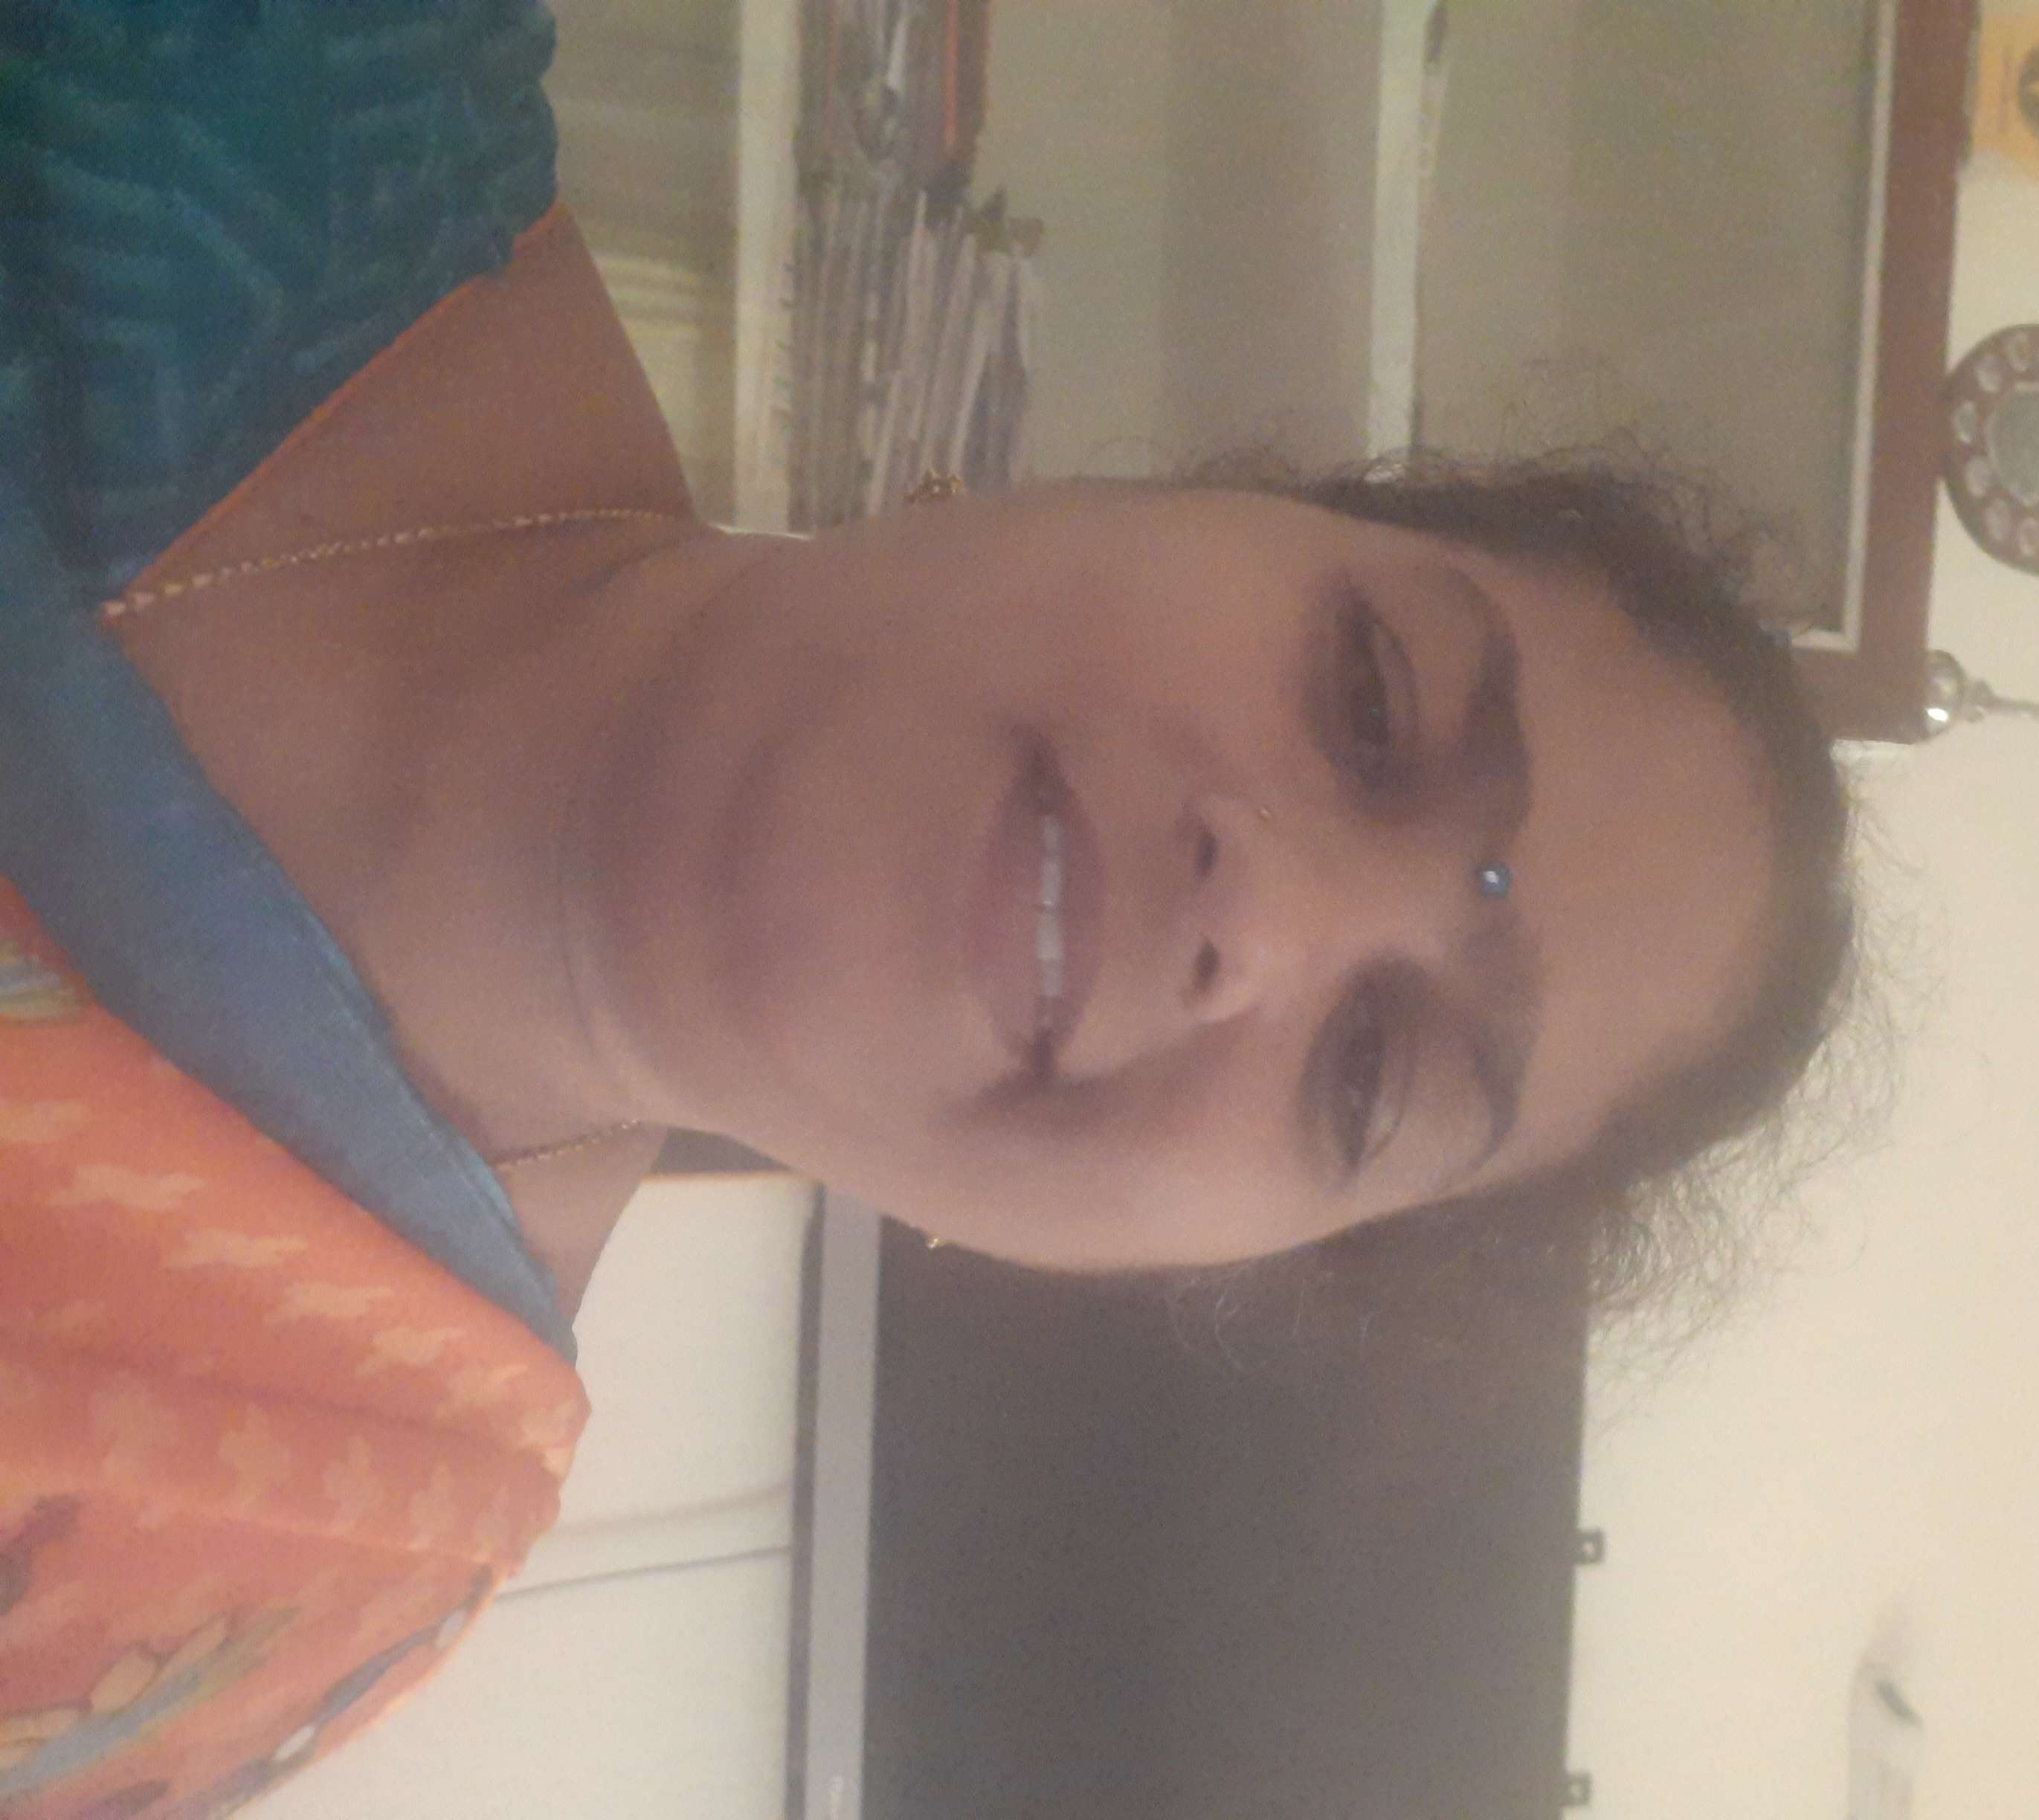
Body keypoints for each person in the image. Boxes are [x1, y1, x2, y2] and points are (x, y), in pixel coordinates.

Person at [0, 3, 1853, 1813]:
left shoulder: (284, 1549)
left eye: (1368, 1076)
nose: (1266, 918)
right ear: (1182, 490)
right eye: (1372, 701)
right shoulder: (275, 68)